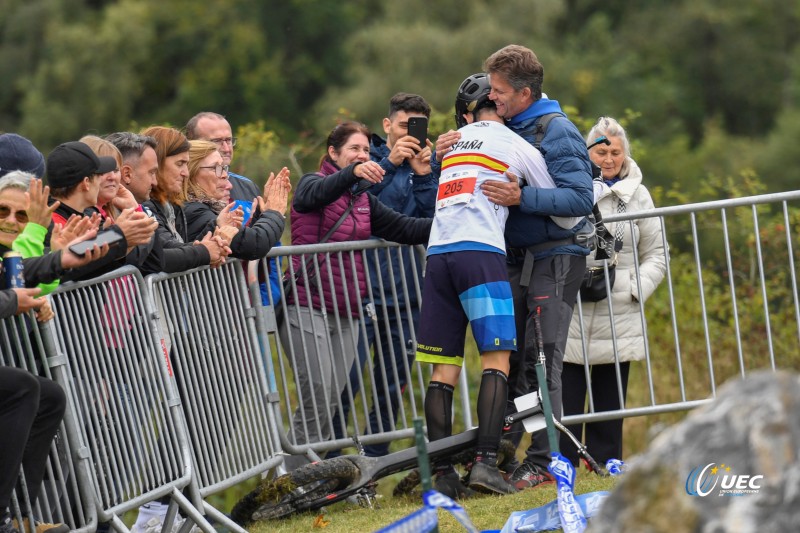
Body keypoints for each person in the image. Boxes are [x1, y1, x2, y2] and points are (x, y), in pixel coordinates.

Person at [417, 72, 573, 497]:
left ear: (465, 114)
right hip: (480, 253)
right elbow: (557, 200)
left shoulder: (450, 145)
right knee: (496, 359)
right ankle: (485, 464)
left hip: (438, 255)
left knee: (443, 368)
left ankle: (443, 474)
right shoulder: (516, 143)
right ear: (498, 104)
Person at [280, 121, 431, 469]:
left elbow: (404, 227)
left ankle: (314, 474)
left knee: (335, 395)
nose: (362, 155)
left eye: (365, 150)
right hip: (307, 303)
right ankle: (291, 477)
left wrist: (453, 221)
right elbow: (310, 198)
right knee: (318, 391)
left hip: (348, 309)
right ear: (333, 154)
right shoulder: (312, 183)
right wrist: (353, 173)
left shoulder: (363, 200)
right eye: (353, 149)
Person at [479, 44, 595, 490]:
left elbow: (580, 198)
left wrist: (520, 198)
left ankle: (546, 459)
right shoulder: (509, 125)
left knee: (542, 359)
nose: (494, 99)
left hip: (558, 257)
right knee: (522, 363)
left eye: (500, 91)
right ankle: (530, 451)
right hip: (521, 260)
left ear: (526, 93)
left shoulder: (557, 130)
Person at [331, 93, 436, 456]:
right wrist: (390, 164)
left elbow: (432, 220)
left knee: (393, 386)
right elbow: (361, 207)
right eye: (406, 125)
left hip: (407, 293)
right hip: (361, 293)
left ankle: (373, 466)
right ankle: (328, 464)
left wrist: (424, 176)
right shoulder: (365, 159)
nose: (413, 134)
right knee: (347, 382)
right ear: (387, 125)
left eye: (420, 127)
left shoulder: (426, 164)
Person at [561, 117, 667, 466]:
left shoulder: (640, 195)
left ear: (625, 155)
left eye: (616, 152)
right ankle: (563, 464)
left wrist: (635, 288)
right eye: (601, 151)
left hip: (619, 305)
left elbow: (658, 254)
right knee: (568, 391)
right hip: (574, 302)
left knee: (611, 394)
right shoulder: (569, 186)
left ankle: (607, 463)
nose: (608, 159)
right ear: (588, 152)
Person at [106, 131, 229, 274]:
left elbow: (158, 254)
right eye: (152, 172)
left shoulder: (146, 207)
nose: (154, 180)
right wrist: (204, 251)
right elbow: (78, 253)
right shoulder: (93, 214)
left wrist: (210, 241)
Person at [45, 141, 158, 281]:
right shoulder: (50, 222)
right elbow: (73, 258)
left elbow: (92, 262)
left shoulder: (75, 216)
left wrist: (119, 237)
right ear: (87, 183)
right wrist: (117, 234)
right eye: (99, 174)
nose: (107, 179)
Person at [140, 127, 232, 271]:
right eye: (180, 164)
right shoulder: (143, 205)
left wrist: (215, 229)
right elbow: (161, 255)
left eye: (186, 164)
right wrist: (272, 214)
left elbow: (176, 246)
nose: (186, 173)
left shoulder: (172, 206)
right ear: (157, 163)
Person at [182, 140, 288, 260]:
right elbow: (254, 245)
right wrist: (274, 213)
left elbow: (243, 245)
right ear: (190, 172)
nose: (225, 175)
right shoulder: (194, 212)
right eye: (215, 168)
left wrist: (263, 214)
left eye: (223, 167)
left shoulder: (202, 208)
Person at [185, 112, 260, 203]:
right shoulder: (179, 188)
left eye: (228, 140)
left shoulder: (247, 187)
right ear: (194, 143)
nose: (226, 148)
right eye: (216, 141)